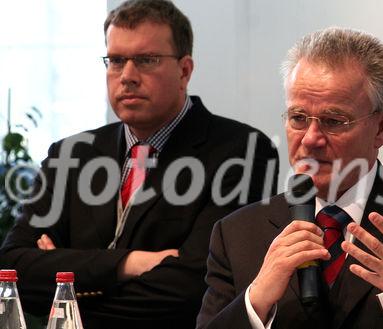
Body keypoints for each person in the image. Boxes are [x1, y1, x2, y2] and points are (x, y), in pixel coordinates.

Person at [196, 27, 383, 329]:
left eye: (333, 121)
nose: (311, 139)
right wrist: (255, 301)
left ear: (382, 127)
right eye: (298, 118)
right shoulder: (236, 234)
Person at [0, 0, 278, 328]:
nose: (128, 76)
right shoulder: (70, 154)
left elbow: (194, 289)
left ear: (184, 71)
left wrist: (64, 290)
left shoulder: (242, 151)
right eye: (116, 60)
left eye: (146, 60)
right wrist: (130, 264)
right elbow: (12, 270)